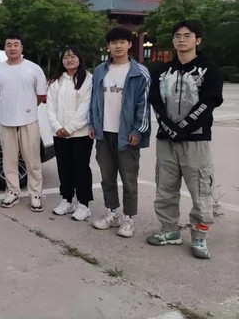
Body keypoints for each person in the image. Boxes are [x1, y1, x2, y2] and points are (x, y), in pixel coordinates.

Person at [146, 20, 223, 259]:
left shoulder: (209, 69)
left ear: (197, 40)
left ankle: (199, 237)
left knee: (200, 190)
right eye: (177, 36)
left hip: (196, 140)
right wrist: (170, 128)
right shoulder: (162, 71)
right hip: (166, 140)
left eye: (187, 35)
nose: (181, 39)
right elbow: (156, 102)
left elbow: (209, 101)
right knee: (165, 188)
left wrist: (183, 127)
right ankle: (169, 230)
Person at [88, 27, 151, 238]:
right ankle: (112, 213)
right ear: (108, 46)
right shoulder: (100, 71)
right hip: (104, 133)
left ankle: (129, 218)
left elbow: (144, 105)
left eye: (122, 41)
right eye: (113, 42)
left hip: (127, 135)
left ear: (129, 44)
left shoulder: (139, 72)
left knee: (129, 179)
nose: (118, 46)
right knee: (107, 177)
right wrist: (92, 124)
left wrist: (138, 130)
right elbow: (94, 100)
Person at [0, 33, 47, 211]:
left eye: (16, 44)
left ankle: (35, 195)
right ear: (4, 48)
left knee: (32, 161)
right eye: (9, 44)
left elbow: (41, 95)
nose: (12, 48)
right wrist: (10, 107)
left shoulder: (33, 68)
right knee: (9, 161)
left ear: (22, 48)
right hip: (6, 122)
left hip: (29, 121)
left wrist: (26, 108)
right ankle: (13, 192)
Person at [47, 45, 94, 221]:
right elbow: (50, 107)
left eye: (73, 56)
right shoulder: (56, 81)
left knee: (81, 168)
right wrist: (57, 126)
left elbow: (86, 107)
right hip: (59, 133)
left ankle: (83, 204)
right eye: (66, 57)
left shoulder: (88, 79)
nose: (69, 60)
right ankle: (66, 200)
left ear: (80, 58)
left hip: (80, 133)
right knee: (63, 167)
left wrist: (70, 128)